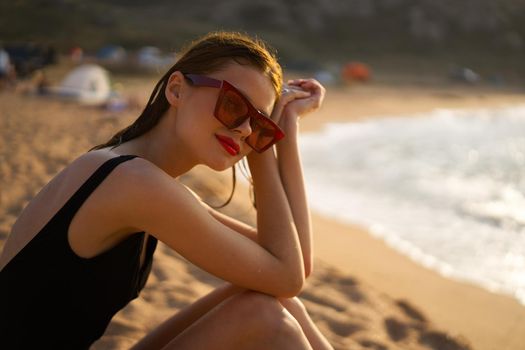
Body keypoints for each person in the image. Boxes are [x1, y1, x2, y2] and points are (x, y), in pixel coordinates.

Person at [0, 31, 331, 349]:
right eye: (233, 105)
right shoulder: (134, 182)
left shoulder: (142, 177)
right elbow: (288, 275)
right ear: (177, 90)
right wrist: (261, 143)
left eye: (258, 123)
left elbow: (294, 266)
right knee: (265, 319)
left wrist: (284, 127)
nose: (245, 128)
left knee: (284, 307)